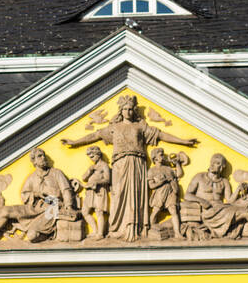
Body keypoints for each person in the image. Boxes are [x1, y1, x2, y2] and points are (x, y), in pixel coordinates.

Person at [62, 95, 198, 241]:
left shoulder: (140, 126)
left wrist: (183, 141)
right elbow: (95, 135)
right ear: (121, 111)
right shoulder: (114, 128)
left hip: (137, 164)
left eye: (130, 109)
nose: (128, 112)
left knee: (136, 194)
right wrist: (75, 142)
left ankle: (136, 228)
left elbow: (161, 134)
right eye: (125, 109)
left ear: (134, 110)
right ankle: (118, 229)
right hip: (120, 165)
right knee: (119, 194)